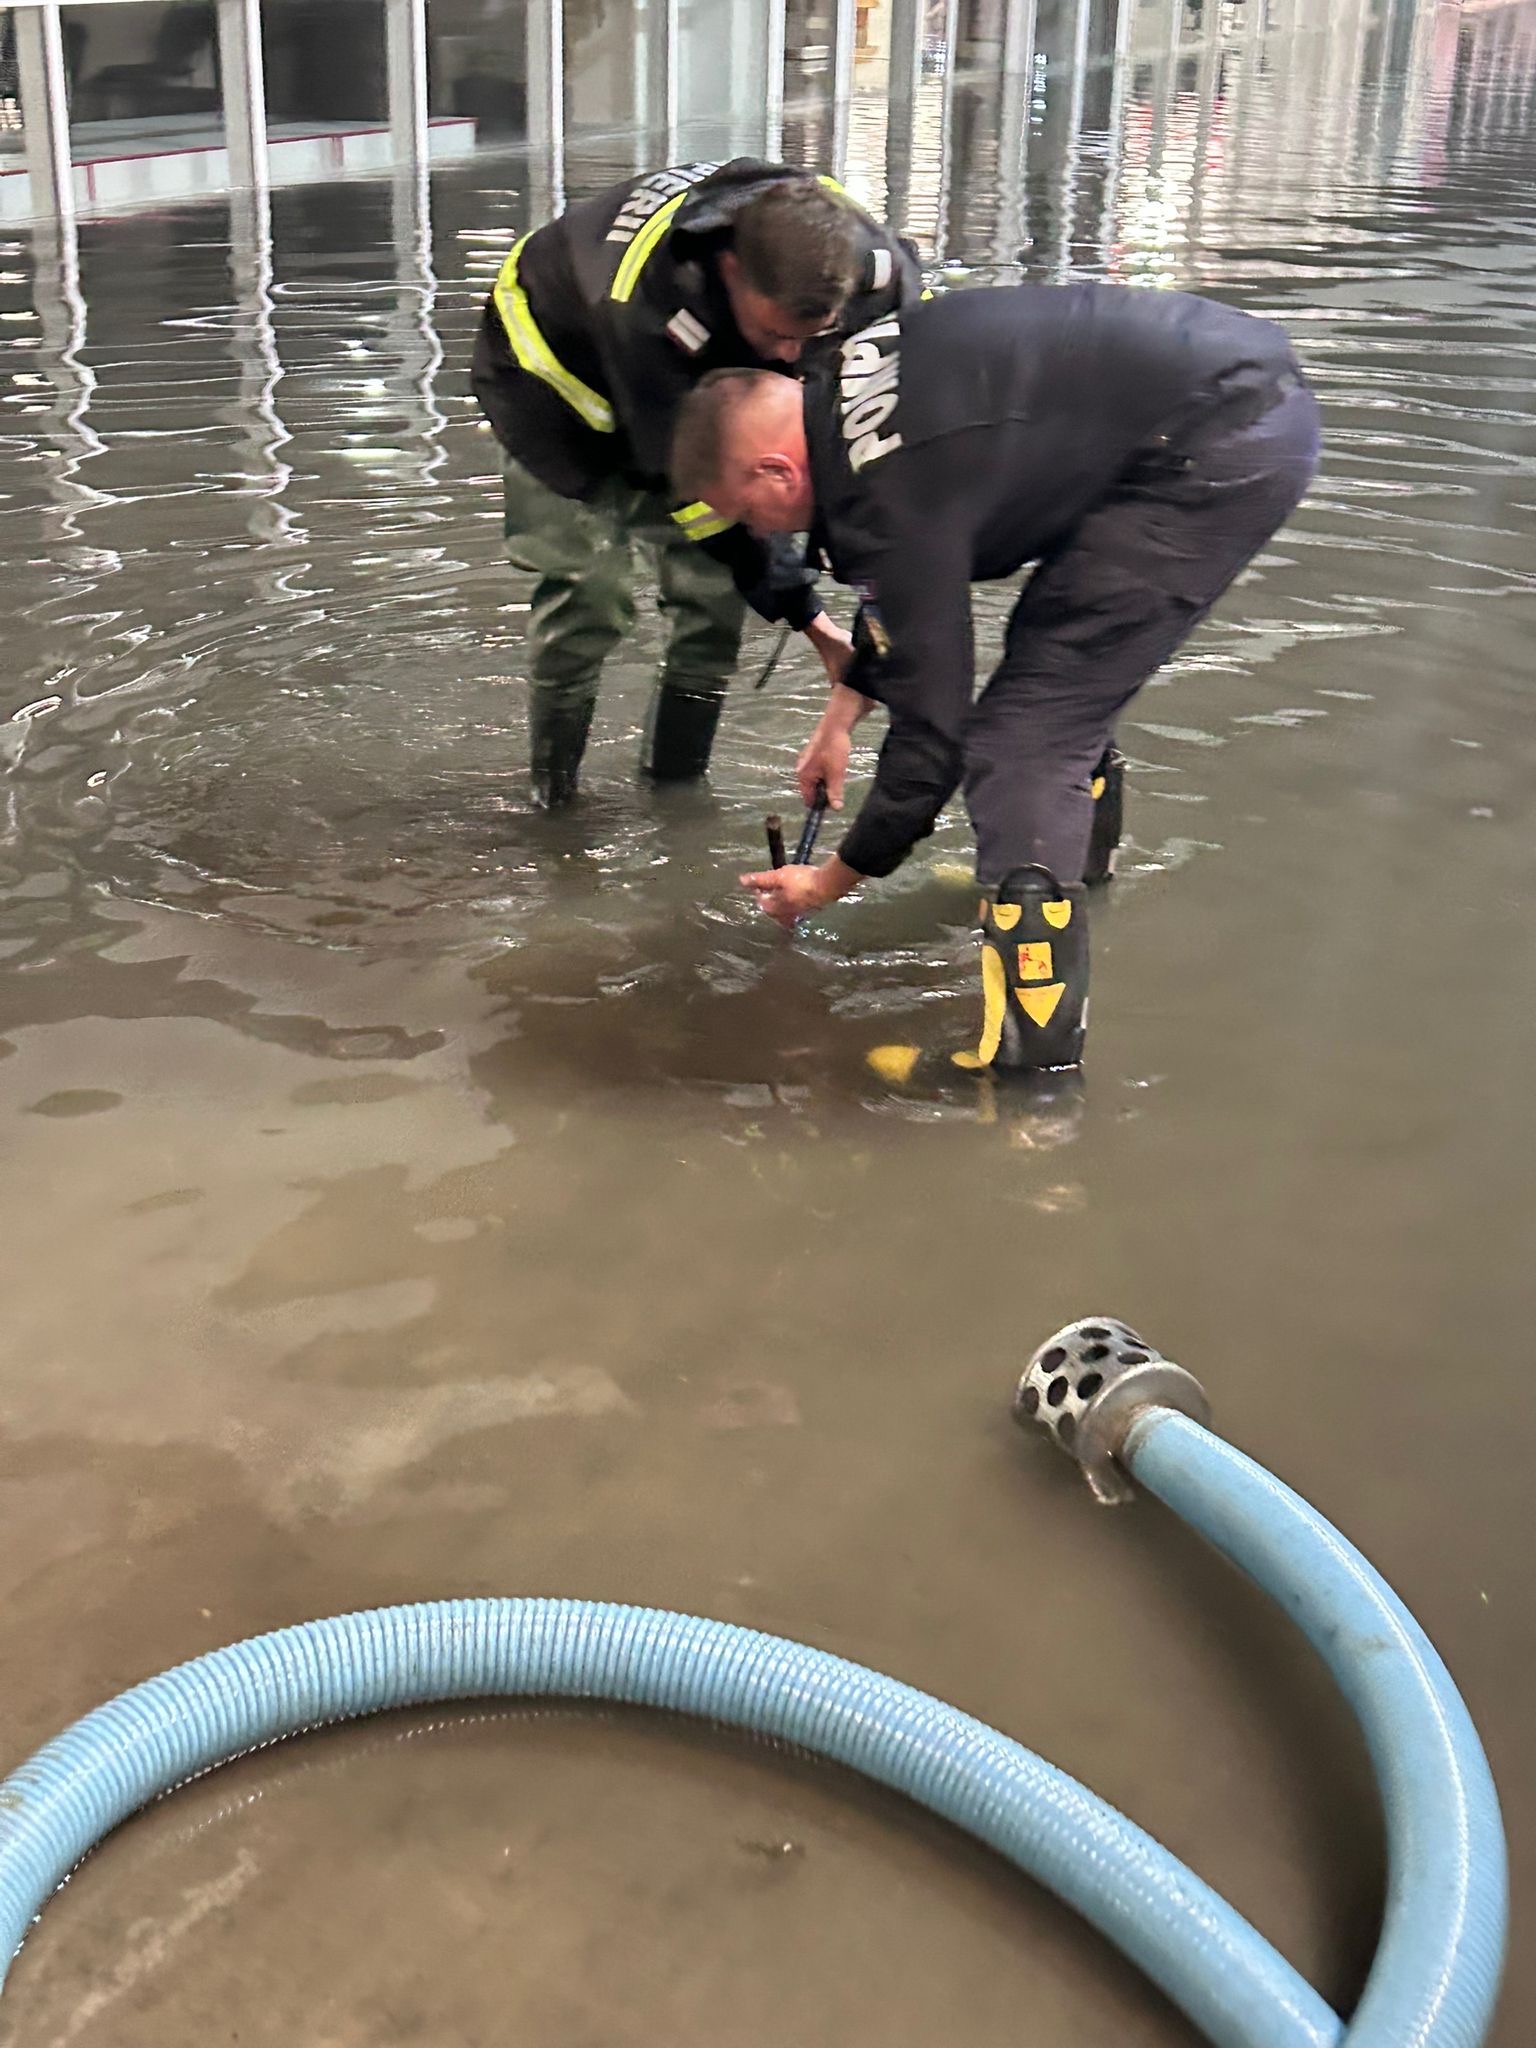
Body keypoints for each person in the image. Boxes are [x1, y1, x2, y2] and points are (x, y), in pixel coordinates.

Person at [669, 283, 1320, 1076]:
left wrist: (830, 882)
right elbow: (904, 612)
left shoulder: (884, 497)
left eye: (747, 515)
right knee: (1050, 659)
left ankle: (1028, 1067)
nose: (759, 533)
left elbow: (934, 736)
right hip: (1208, 395)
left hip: (1217, 441)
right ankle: (1072, 878)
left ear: (774, 472)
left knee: (1024, 736)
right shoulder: (840, 384)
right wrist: (839, 720)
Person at [471, 159, 922, 805]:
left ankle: (676, 789)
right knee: (590, 594)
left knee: (713, 602)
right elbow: (698, 497)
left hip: (704, 378)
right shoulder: (644, 308)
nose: (788, 357)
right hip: (560, 388)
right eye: (773, 334)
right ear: (734, 272)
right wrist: (809, 617)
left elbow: (898, 429)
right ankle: (554, 799)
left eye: (810, 338)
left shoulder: (877, 275)